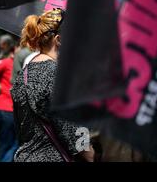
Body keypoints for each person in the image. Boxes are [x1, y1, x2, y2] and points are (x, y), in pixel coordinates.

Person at [11, 8, 95, 162]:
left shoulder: (23, 74)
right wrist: (91, 156)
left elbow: (20, 128)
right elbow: (75, 133)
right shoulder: (59, 75)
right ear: (59, 40)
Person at [0, 35, 18, 162]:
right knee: (11, 143)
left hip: (2, 107)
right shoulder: (11, 63)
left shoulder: (6, 62)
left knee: (5, 143)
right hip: (7, 109)